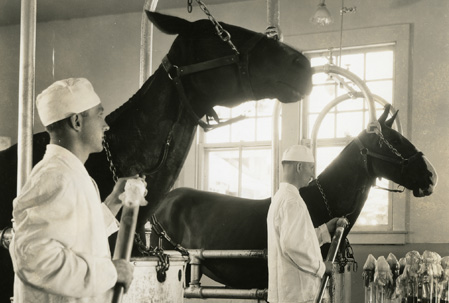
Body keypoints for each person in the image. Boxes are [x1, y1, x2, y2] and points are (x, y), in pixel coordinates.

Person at [10, 78, 136, 302]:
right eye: (99, 114)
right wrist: (110, 272)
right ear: (77, 121)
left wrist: (115, 201)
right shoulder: (56, 176)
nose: (106, 124)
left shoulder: (70, 173)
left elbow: (77, 235)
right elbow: (33, 258)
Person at [267, 144, 344, 303]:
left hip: (288, 294)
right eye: (311, 167)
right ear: (299, 167)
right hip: (297, 295)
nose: (312, 174)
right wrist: (321, 267)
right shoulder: (292, 201)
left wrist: (324, 230)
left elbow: (299, 239)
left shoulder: (280, 197)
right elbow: (292, 246)